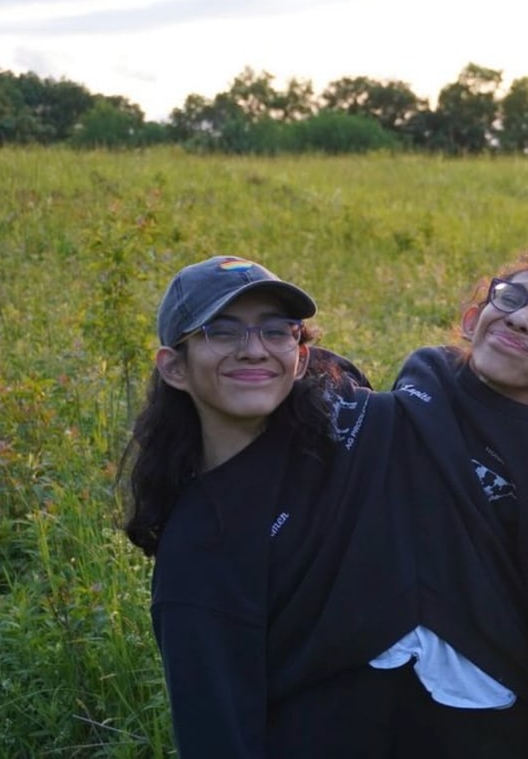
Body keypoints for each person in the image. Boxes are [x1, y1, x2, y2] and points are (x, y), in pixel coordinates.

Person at [309, 250, 528, 758]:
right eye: (510, 298)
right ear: (473, 319)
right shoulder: (418, 388)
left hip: (476, 707)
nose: (521, 318)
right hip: (365, 674)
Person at [119, 254, 381, 758]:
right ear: (175, 367)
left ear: (300, 357)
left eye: (276, 331)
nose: (254, 351)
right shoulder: (199, 559)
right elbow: (220, 738)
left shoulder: (338, 427)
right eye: (223, 332)